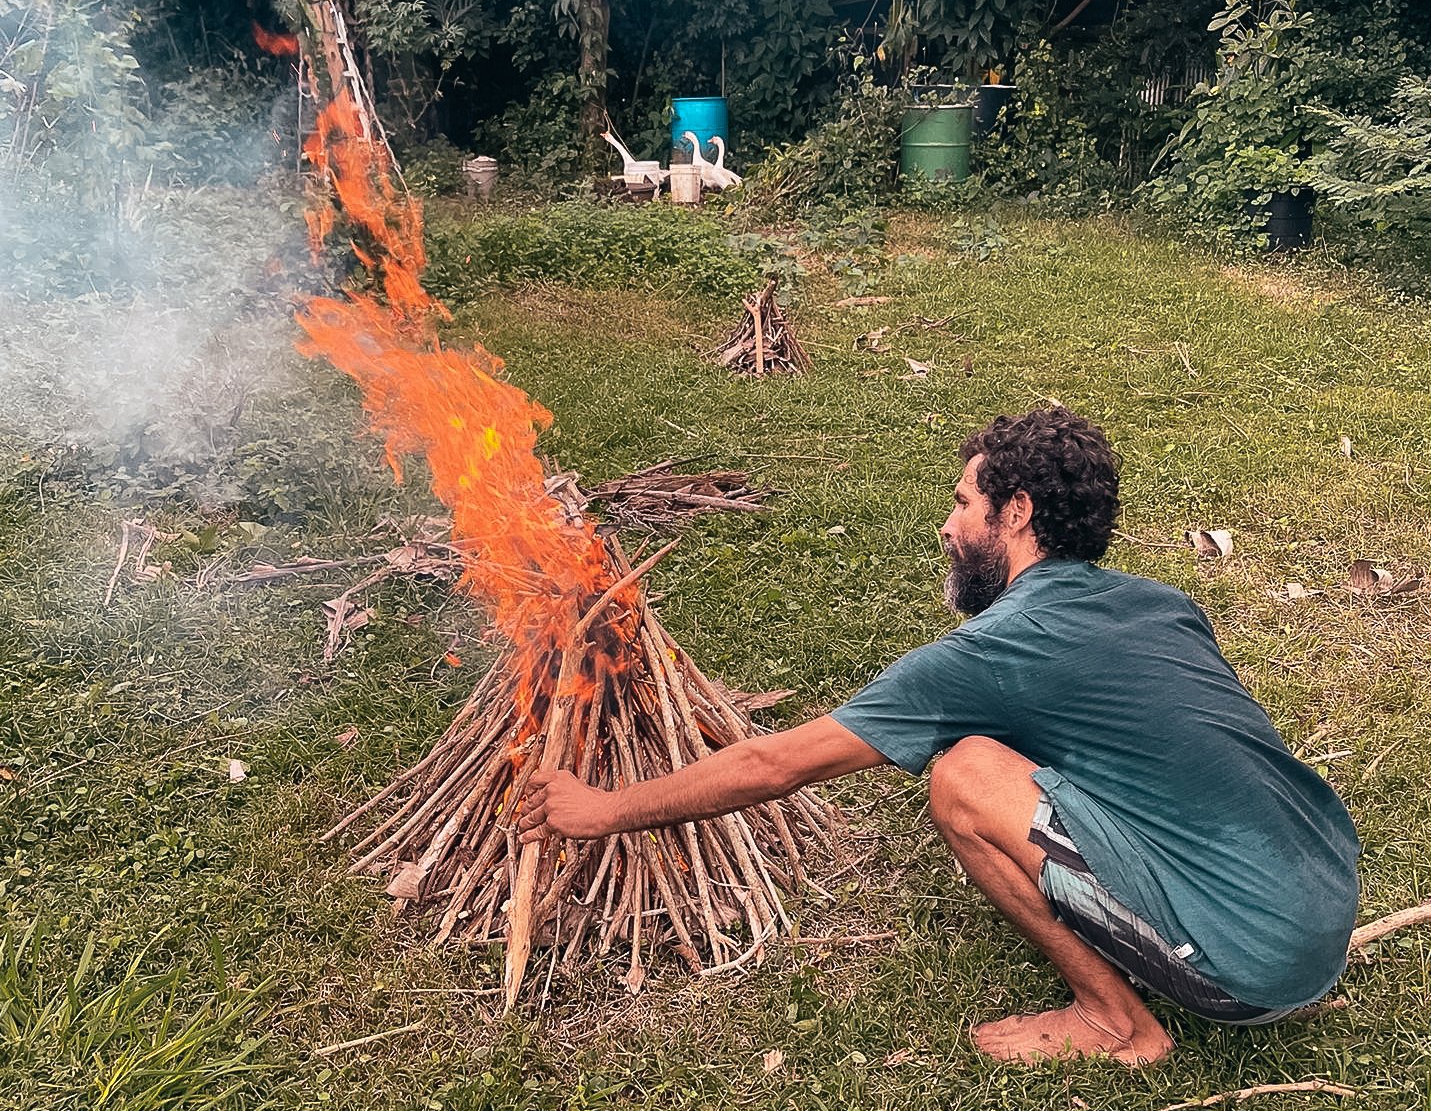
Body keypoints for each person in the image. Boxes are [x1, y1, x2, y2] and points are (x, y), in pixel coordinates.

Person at [519, 407, 1360, 1066]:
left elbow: (774, 764)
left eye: (963, 504)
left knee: (965, 776)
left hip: (1249, 969)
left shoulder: (990, 652)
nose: (947, 526)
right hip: (1323, 895)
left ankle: (1116, 1022)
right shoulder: (1158, 601)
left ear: (1017, 512)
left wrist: (602, 810)